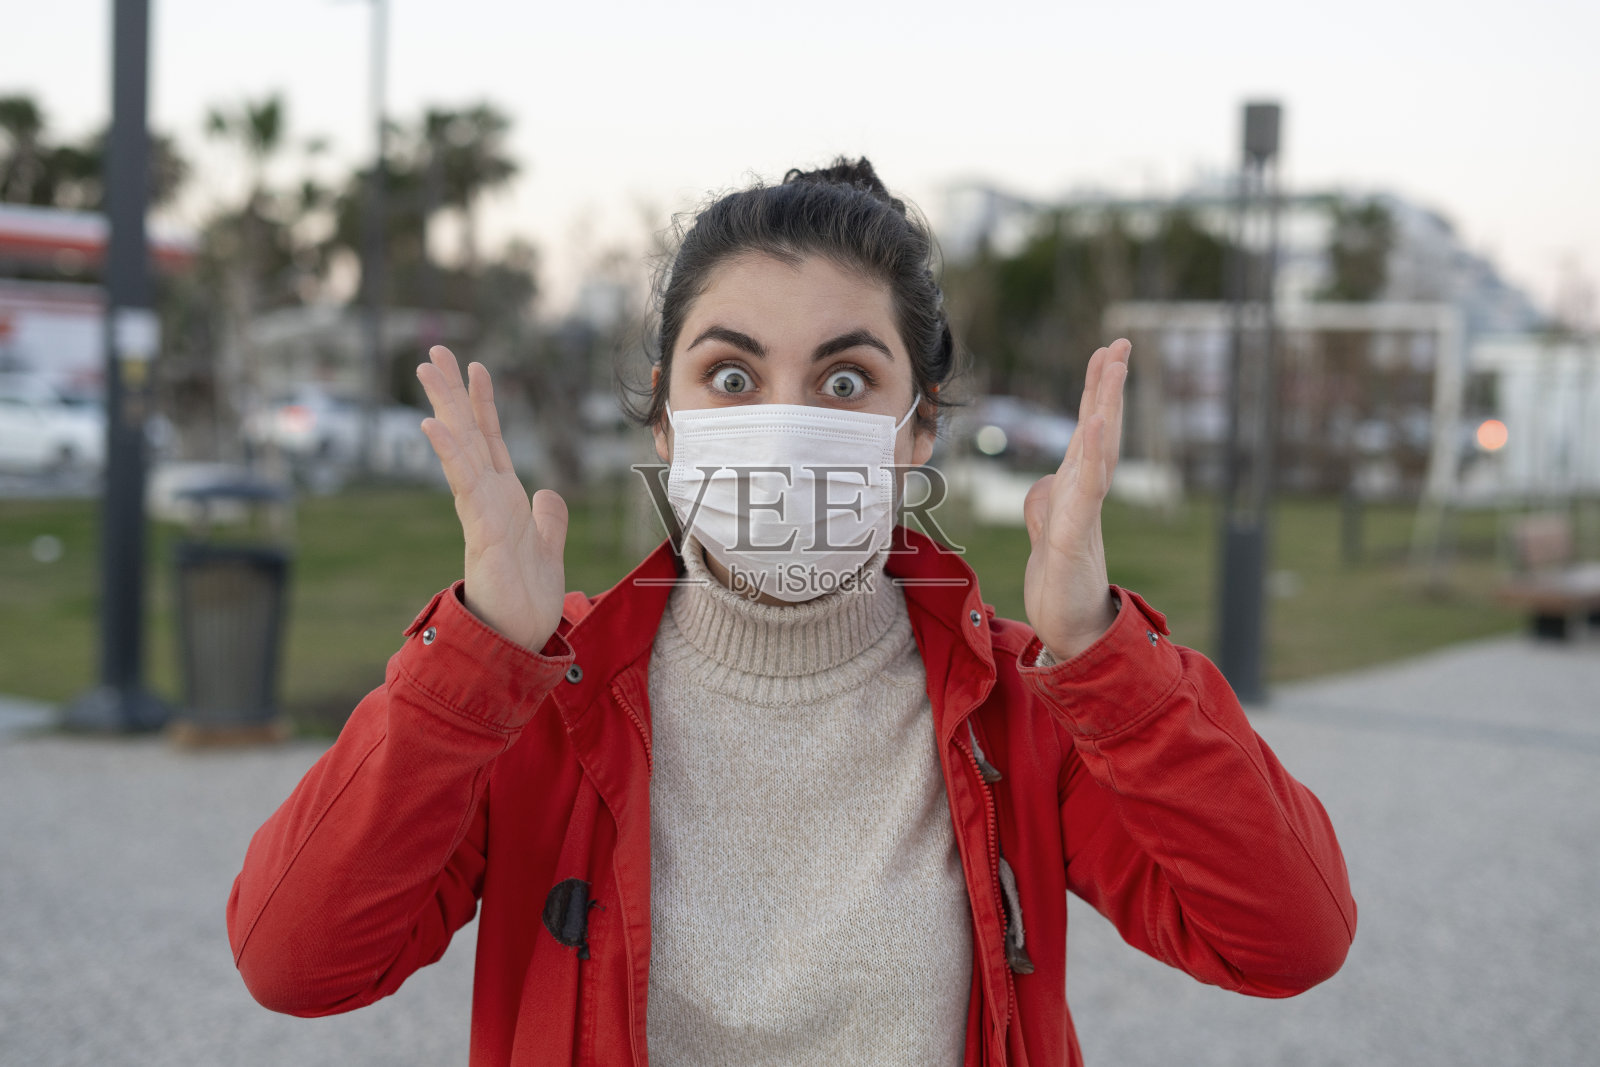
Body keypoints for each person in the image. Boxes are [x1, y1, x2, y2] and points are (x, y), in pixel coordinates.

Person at [227, 159, 1355, 1067]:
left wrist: (1102, 647)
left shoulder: (1018, 702)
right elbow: (297, 963)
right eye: (729, 375)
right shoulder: (542, 693)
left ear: (916, 432)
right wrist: (476, 654)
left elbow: (1284, 939)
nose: (782, 418)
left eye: (845, 379)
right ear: (664, 424)